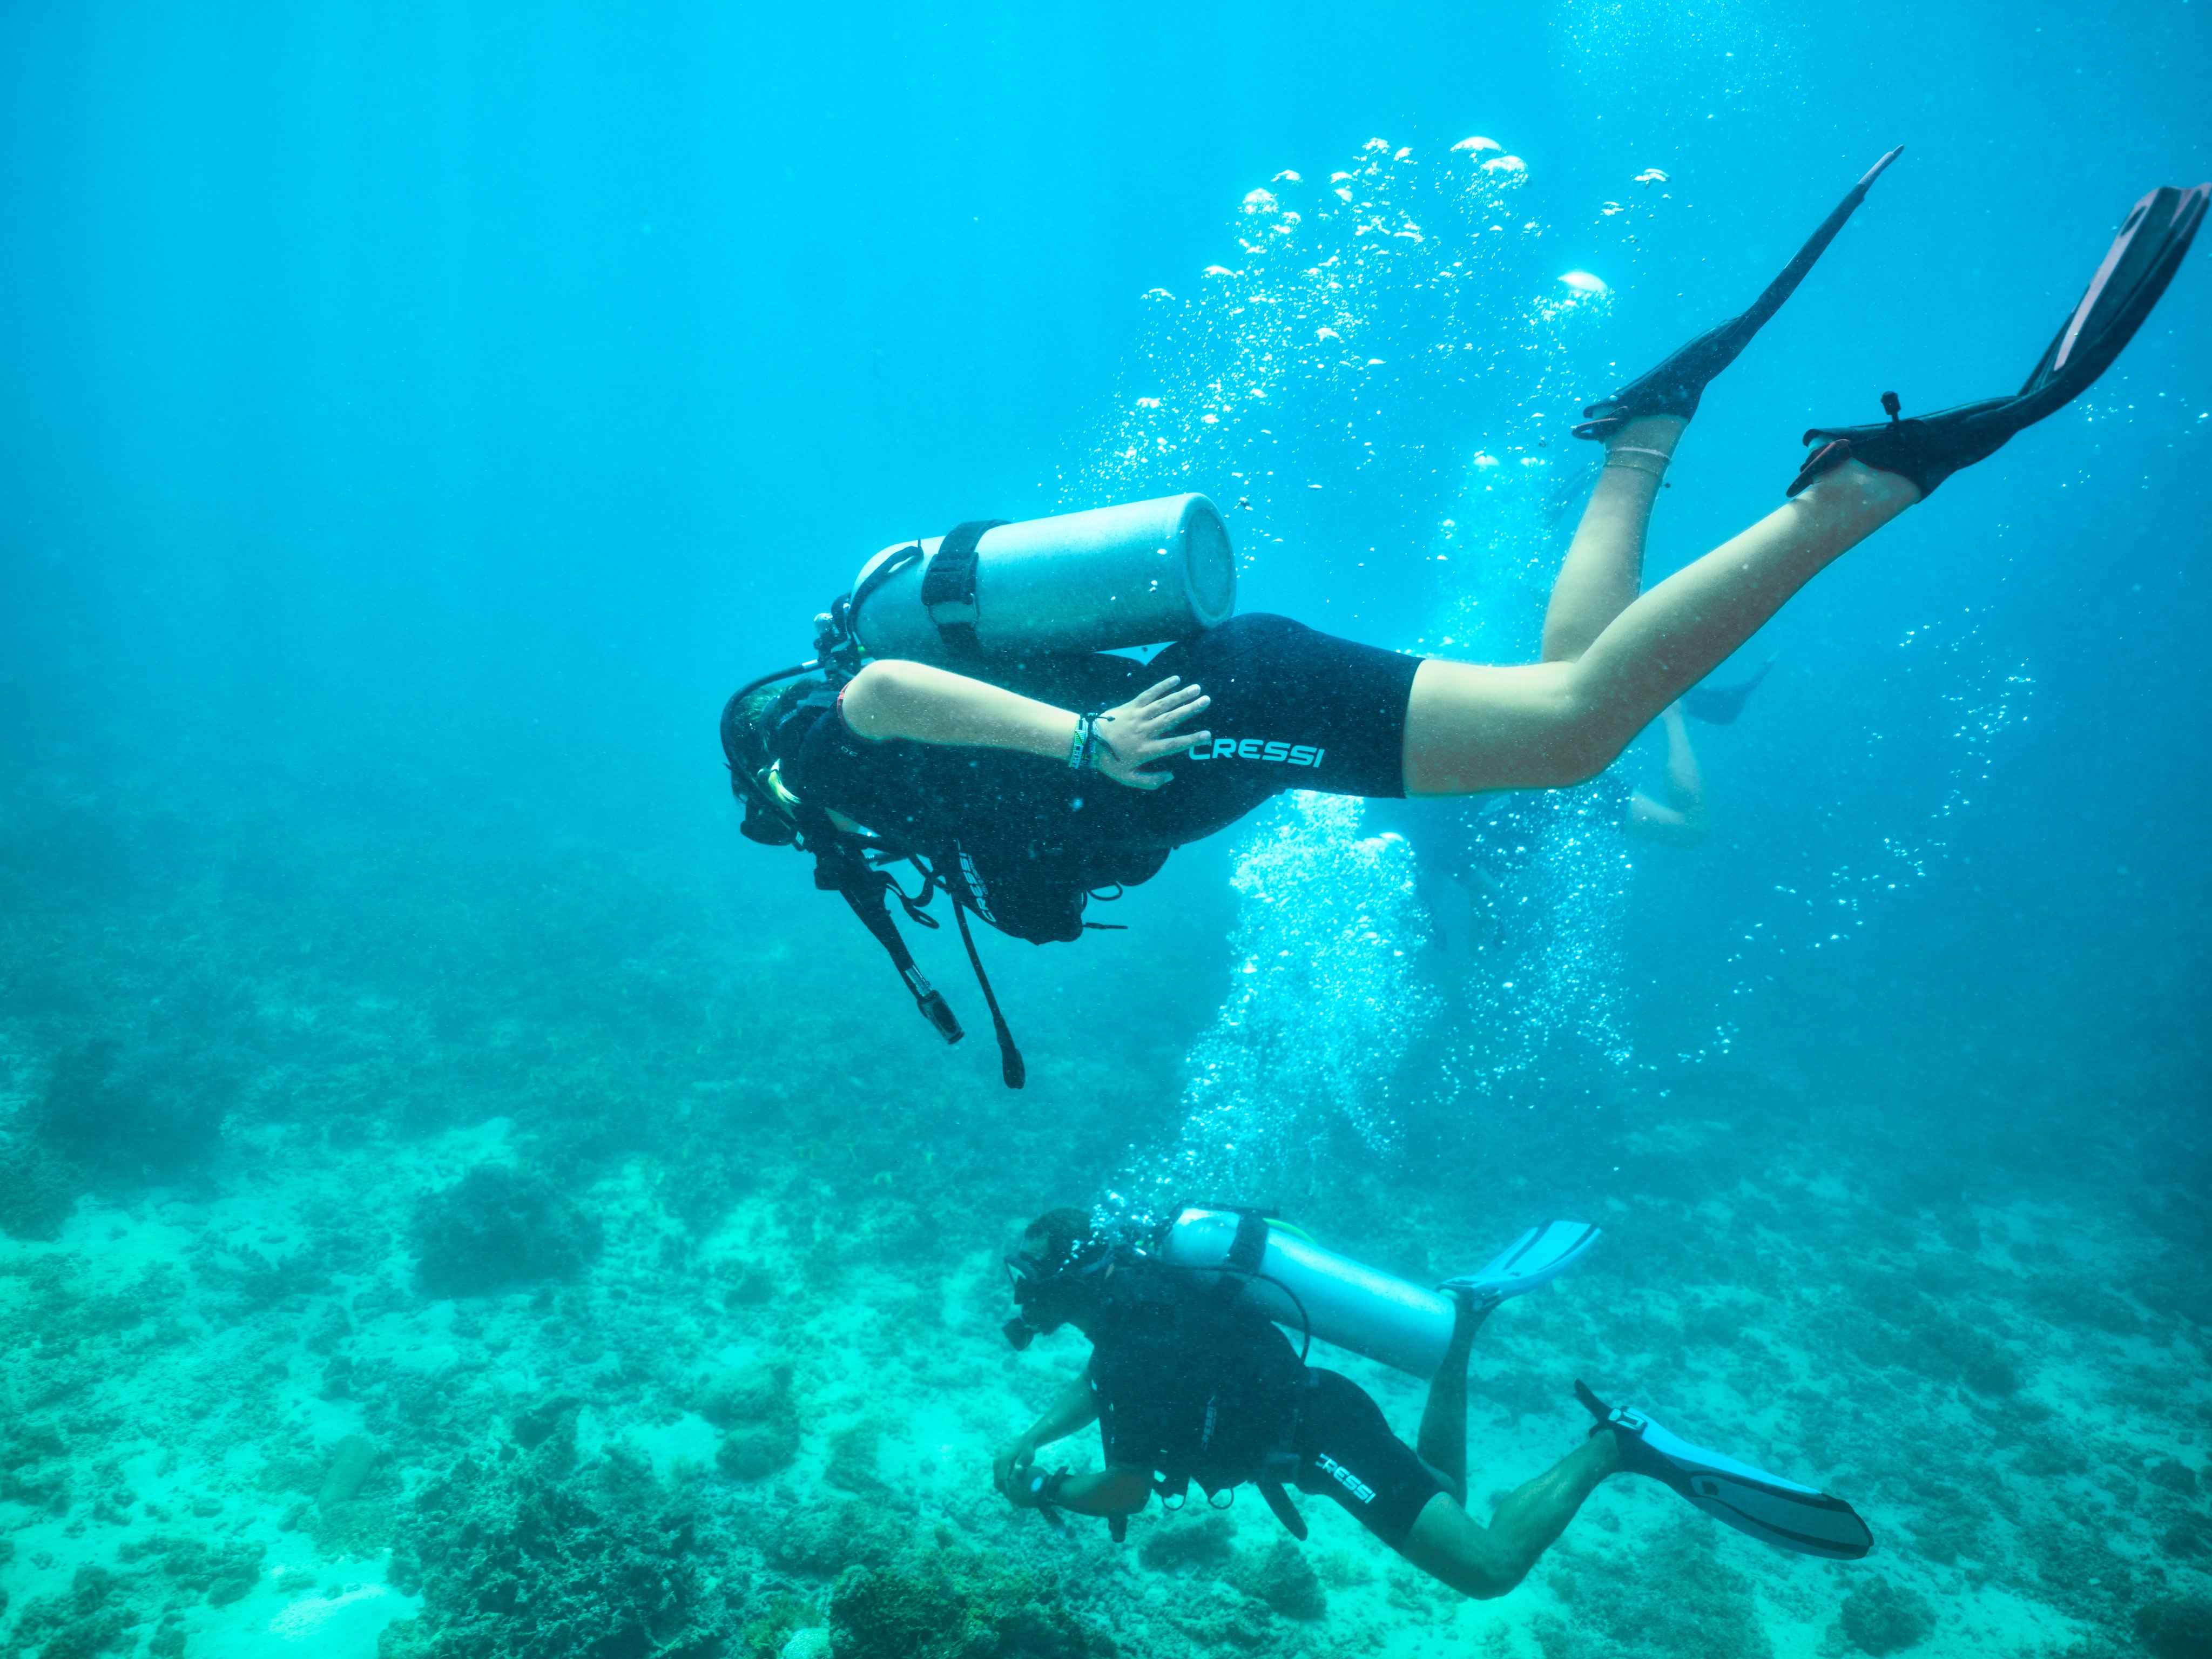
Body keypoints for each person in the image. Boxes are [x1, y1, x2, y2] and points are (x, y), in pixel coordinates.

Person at [723, 170, 2205, 1076]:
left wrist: (1087, 737)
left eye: (768, 816)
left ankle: (1874, 480)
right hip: (1239, 713)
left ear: (767, 781)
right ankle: (1643, 431)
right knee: (1569, 695)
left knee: (1568, 734)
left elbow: (877, 709)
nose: (785, 836)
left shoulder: (825, 741)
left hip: (1228, 700)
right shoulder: (879, 819)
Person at [988, 1209, 1869, 1597]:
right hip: (1322, 1408)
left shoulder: (1138, 1343)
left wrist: (1043, 1490)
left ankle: (1615, 1445)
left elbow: (1129, 1489)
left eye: (1031, 1280)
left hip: (1318, 1437)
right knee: (1442, 1480)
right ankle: (1467, 1323)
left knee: (1486, 1571)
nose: (1024, 1297)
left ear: (1074, 1281)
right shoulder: (1145, 1294)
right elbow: (1095, 1382)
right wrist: (1032, 1434)